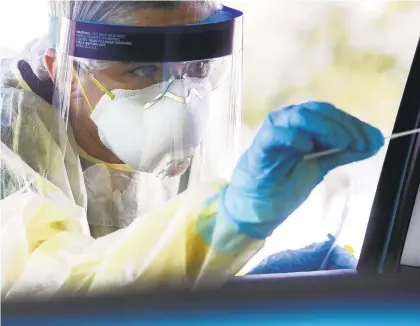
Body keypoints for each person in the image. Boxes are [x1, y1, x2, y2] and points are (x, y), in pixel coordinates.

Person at [0, 0, 384, 300]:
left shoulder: (165, 138)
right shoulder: (9, 140)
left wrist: (239, 289)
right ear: (63, 70)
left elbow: (149, 272)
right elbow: (44, 289)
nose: (180, 99)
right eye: (141, 70)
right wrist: (226, 223)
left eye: (198, 67)